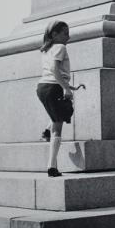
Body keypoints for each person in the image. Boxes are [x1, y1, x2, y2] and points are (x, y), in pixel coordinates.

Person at [36, 20, 85, 177]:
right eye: (65, 33)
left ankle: (46, 130)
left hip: (43, 87)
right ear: (54, 34)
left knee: (59, 113)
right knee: (59, 126)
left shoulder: (46, 49)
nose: (68, 37)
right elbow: (55, 70)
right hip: (53, 87)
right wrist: (65, 89)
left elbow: (52, 74)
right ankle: (52, 167)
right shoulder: (60, 47)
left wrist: (70, 87)